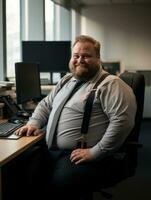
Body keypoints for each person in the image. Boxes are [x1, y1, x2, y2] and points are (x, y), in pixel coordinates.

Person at [15, 35, 137, 199]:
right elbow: (46, 104)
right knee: (19, 173)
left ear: (98, 58)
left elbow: (122, 123)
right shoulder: (67, 80)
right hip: (53, 151)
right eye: (76, 56)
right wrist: (34, 123)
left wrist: (95, 152)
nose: (80, 60)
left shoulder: (111, 85)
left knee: (54, 187)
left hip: (83, 156)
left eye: (86, 56)